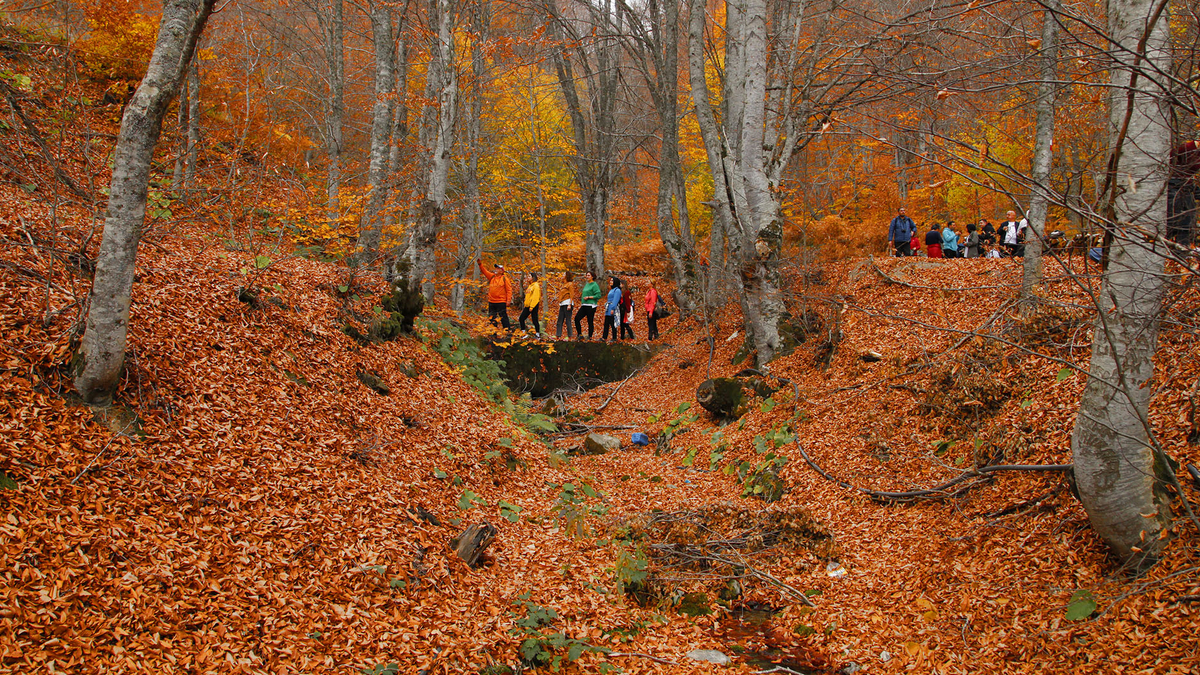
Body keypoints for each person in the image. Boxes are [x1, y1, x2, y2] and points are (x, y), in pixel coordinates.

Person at [478, 259, 512, 329]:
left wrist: (508, 301)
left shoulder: (505, 279)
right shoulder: (492, 276)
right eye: (496, 268)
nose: (496, 269)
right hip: (492, 302)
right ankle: (493, 333)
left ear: (502, 271)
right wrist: (480, 265)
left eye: (498, 268)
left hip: (501, 302)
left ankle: (507, 332)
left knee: (503, 317)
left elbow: (509, 290)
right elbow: (484, 271)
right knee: (492, 318)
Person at [574, 272, 601, 339]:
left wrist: (589, 297)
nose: (587, 276)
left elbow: (598, 295)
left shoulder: (594, 285)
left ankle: (590, 336)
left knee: (590, 321)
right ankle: (580, 334)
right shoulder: (587, 284)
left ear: (592, 277)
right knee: (577, 318)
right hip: (584, 305)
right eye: (586, 275)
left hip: (591, 305)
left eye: (589, 275)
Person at [555, 271, 575, 339]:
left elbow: (572, 294)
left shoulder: (570, 284)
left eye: (563, 274)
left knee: (568, 320)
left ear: (567, 276)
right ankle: (558, 335)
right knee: (559, 320)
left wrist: (570, 304)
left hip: (567, 303)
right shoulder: (564, 284)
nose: (562, 275)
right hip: (562, 303)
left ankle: (570, 336)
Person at [602, 277, 622, 341]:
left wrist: (613, 309)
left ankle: (614, 337)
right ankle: (604, 337)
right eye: (610, 280)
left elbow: (615, 300)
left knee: (613, 323)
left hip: (612, 308)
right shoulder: (611, 290)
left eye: (612, 280)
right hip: (608, 308)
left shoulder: (617, 290)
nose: (610, 281)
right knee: (606, 323)